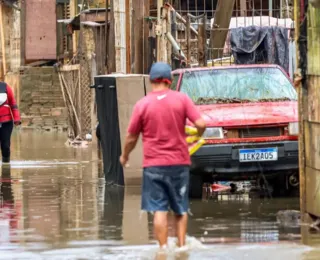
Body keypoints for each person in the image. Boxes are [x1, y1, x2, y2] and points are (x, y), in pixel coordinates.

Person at [119, 62, 206, 248]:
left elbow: (131, 137)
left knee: (159, 210)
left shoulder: (143, 104)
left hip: (153, 166)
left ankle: (162, 250)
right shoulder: (181, 99)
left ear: (151, 80)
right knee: (180, 209)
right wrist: (196, 137)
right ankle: (182, 248)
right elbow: (201, 124)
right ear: (170, 80)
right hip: (179, 163)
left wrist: (124, 156)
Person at [0, 82, 21, 164]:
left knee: (5, 146)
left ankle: (6, 167)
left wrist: (16, 119)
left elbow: (13, 103)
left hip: (6, 122)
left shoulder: (5, 87)